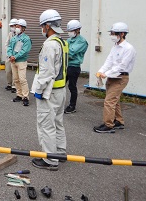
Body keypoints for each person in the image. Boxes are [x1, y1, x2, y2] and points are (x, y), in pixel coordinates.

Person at [31, 9, 68, 171]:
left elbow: (46, 73)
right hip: (61, 91)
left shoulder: (49, 45)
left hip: (49, 92)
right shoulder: (62, 42)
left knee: (46, 125)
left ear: (47, 25)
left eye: (42, 26)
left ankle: (50, 160)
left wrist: (38, 91)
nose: (42, 29)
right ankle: (60, 152)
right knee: (58, 122)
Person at [93, 22, 136, 133]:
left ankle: (108, 125)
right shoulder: (115, 47)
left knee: (109, 101)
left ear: (122, 34)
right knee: (114, 101)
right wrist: (101, 71)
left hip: (121, 78)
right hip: (112, 77)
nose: (112, 35)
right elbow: (109, 61)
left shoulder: (129, 48)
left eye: (114, 33)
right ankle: (119, 121)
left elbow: (122, 66)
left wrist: (106, 73)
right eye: (111, 33)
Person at [64, 20, 89, 114]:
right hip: (66, 65)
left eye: (72, 30)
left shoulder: (82, 41)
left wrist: (65, 52)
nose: (70, 32)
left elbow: (70, 52)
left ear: (78, 30)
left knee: (72, 86)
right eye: (69, 30)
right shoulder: (69, 40)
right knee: (61, 85)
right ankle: (59, 102)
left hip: (74, 67)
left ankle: (72, 105)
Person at [7, 19, 32, 106]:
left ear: (23, 28)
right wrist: (10, 55)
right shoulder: (13, 38)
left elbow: (25, 50)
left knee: (22, 79)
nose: (16, 28)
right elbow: (9, 47)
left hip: (21, 61)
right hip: (13, 61)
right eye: (16, 26)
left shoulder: (26, 39)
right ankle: (19, 94)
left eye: (18, 26)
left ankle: (25, 97)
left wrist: (15, 57)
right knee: (16, 79)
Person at [5, 19, 18, 93]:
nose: (12, 27)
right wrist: (8, 53)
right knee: (8, 70)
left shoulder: (20, 34)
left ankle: (14, 85)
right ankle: (9, 84)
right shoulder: (10, 34)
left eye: (13, 26)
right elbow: (7, 44)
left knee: (15, 71)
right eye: (11, 26)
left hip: (16, 56)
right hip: (9, 55)